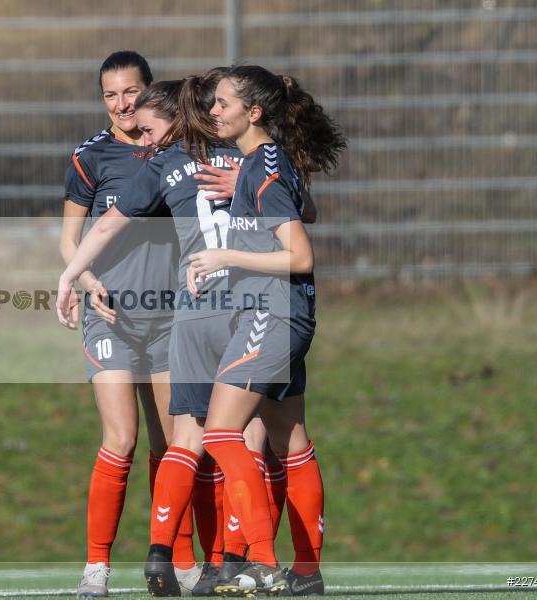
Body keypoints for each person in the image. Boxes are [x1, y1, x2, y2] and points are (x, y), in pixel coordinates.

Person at [56, 69, 247, 597]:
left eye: (130, 94)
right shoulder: (91, 157)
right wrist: (85, 281)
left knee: (178, 445)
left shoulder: (188, 153)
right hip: (112, 314)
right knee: (122, 438)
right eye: (110, 95)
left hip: (175, 316)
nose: (121, 105)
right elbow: (74, 238)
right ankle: (97, 568)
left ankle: (185, 562)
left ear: (152, 96)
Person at [188, 65, 345, 596]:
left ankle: (260, 560)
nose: (214, 110)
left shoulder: (264, 167)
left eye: (224, 102)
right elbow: (308, 208)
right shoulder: (268, 161)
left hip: (271, 315)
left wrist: (222, 256)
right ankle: (306, 572)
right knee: (290, 441)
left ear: (253, 112)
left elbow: (301, 255)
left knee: (219, 433)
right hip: (287, 316)